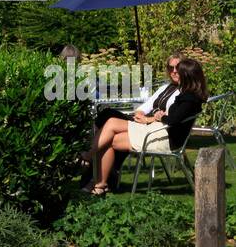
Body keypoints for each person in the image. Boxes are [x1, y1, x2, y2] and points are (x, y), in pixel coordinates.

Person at [82, 58, 207, 195]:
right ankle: (99, 182)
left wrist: (160, 117)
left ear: (186, 75)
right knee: (110, 121)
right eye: (172, 68)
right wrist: (155, 116)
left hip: (163, 137)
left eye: (179, 70)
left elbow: (173, 120)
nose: (175, 72)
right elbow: (165, 113)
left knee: (110, 129)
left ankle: (89, 163)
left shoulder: (189, 97)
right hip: (157, 130)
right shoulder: (187, 94)